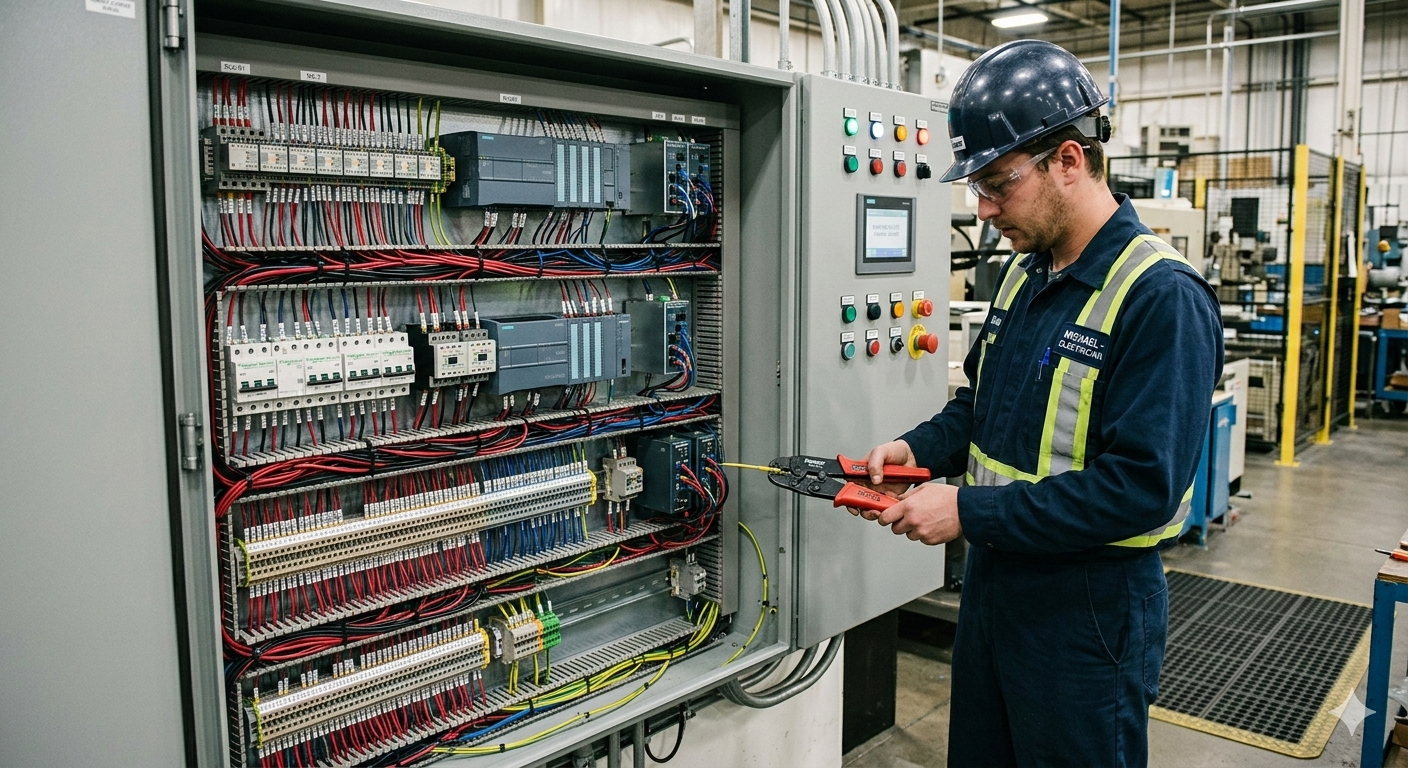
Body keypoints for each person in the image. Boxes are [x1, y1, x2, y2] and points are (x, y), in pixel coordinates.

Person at [849, 40, 1223, 767]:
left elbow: (1140, 489)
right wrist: (918, 449)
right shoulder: (1028, 275)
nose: (984, 210)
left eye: (997, 183)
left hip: (1088, 605)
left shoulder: (1160, 298)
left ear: (1070, 161)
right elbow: (983, 407)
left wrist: (967, 512)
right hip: (999, 584)